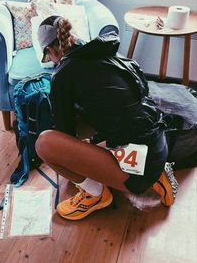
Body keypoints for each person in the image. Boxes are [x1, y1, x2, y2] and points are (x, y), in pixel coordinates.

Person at [35, 15, 178, 220]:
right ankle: (158, 173)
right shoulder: (103, 50)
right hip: (156, 144)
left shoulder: (64, 73)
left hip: (139, 167)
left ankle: (95, 194)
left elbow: (63, 133)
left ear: (50, 50)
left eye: (48, 57)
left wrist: (77, 153)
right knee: (87, 128)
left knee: (45, 143)